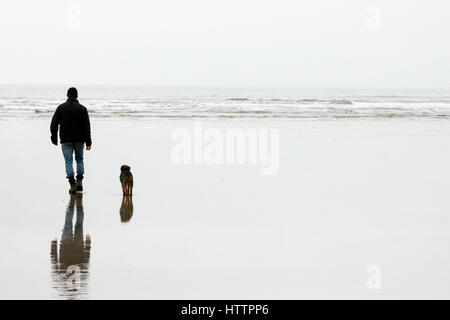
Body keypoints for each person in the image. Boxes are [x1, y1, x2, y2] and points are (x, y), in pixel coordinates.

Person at [50, 87, 92, 194]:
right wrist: (88, 142)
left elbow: (54, 124)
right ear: (77, 96)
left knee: (68, 162)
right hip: (79, 140)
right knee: (79, 159)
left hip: (66, 140)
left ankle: (72, 184)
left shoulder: (61, 108)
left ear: (67, 95)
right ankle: (79, 182)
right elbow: (87, 127)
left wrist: (54, 138)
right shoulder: (82, 109)